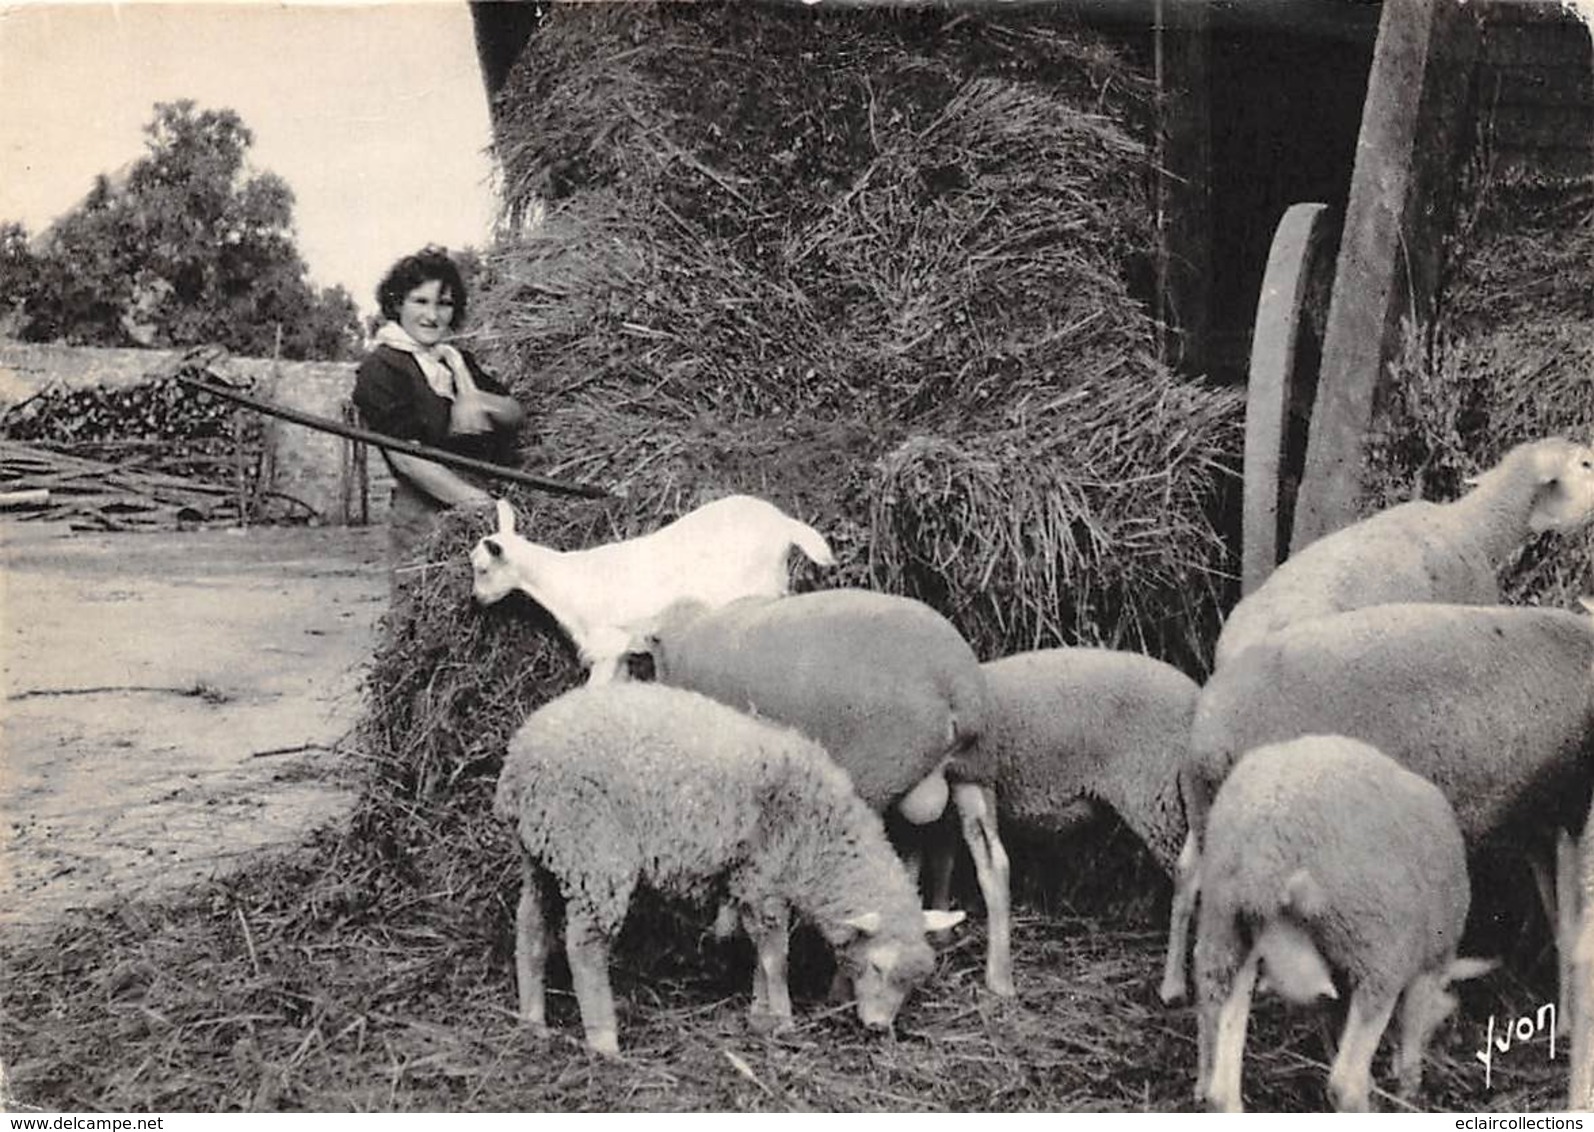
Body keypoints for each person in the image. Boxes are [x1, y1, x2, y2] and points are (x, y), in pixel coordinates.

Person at [352, 247, 525, 575]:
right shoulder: (381, 368)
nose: (432, 315)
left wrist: (474, 400)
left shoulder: (456, 362)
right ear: (397, 303)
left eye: (444, 304)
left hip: (484, 505)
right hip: (426, 517)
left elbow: (515, 414)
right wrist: (481, 506)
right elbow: (408, 458)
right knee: (432, 612)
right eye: (420, 301)